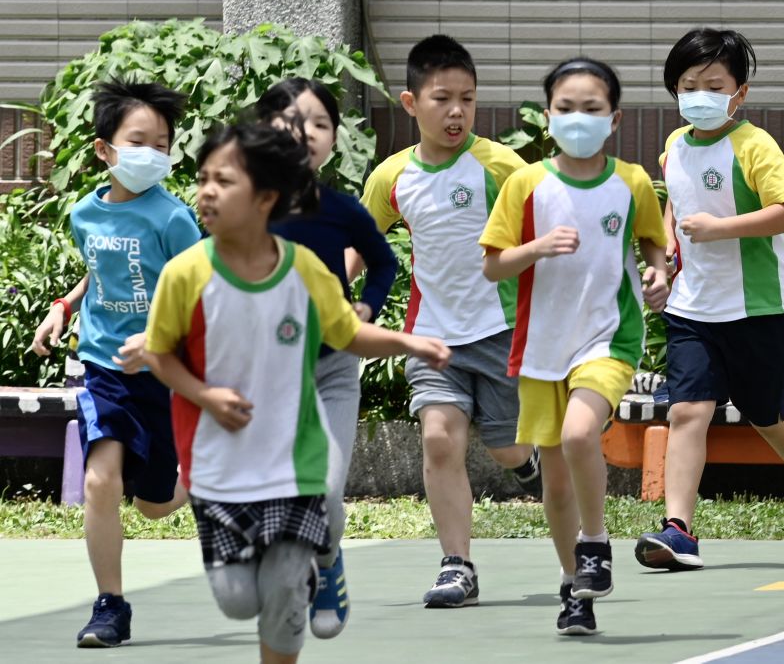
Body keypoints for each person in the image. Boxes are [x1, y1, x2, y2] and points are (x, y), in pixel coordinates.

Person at [142, 119, 450, 663]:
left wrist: (409, 341)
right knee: (240, 601)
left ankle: (304, 574)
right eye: (204, 179)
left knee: (283, 587)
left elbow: (347, 333)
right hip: (220, 467)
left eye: (224, 182)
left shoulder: (304, 270)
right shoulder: (184, 275)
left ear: (266, 198)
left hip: (295, 462)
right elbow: (158, 354)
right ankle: (281, 580)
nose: (206, 193)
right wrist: (206, 396)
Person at [481, 56, 669, 635]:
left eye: (592, 109)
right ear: (547, 116)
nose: (578, 118)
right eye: (566, 108)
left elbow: (652, 243)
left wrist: (659, 273)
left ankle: (595, 542)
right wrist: (535, 249)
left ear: (614, 119)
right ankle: (575, 586)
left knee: (581, 433)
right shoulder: (525, 184)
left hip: (608, 336)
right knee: (556, 482)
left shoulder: (631, 181)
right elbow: (493, 265)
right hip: (540, 346)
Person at [634, 28, 784, 573]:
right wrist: (664, 262)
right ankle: (679, 529)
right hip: (692, 308)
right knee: (687, 411)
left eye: (713, 84)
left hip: (758, 306)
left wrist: (721, 229)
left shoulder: (753, 144)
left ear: (738, 93)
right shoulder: (674, 144)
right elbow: (674, 205)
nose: (699, 93)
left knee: (765, 412)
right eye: (689, 83)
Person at [358, 34, 540, 608]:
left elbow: (539, 234)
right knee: (439, 440)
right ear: (411, 104)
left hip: (503, 333)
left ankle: (529, 465)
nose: (456, 110)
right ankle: (457, 565)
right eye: (442, 98)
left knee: (508, 449)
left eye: (467, 97)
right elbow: (361, 242)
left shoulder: (502, 166)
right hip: (432, 337)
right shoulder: (391, 176)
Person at [29, 80, 199, 648]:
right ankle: (110, 607)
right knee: (101, 480)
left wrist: (158, 335)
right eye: (139, 140)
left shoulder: (173, 219)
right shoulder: (84, 214)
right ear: (106, 149)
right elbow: (99, 273)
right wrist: (63, 307)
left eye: (163, 142)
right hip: (104, 369)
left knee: (154, 506)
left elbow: (201, 291)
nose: (153, 152)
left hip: (165, 375)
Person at [255, 77, 398, 638]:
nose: (305, 134)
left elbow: (382, 263)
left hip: (334, 370)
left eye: (319, 124)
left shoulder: (340, 208)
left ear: (333, 140)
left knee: (328, 495)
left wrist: (366, 307)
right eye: (290, 122)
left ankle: (329, 559)